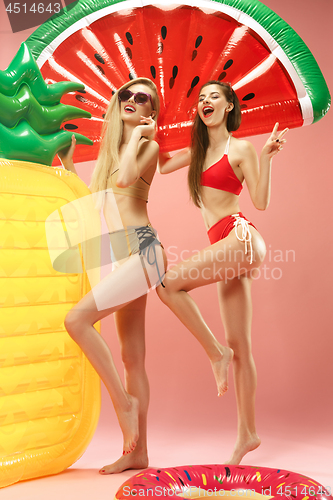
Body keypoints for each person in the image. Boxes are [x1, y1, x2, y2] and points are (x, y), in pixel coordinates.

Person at [157, 80, 288, 465]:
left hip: (240, 236)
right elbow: (163, 165)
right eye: (200, 99)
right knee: (242, 352)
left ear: (229, 106)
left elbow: (260, 202)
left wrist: (266, 156)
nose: (205, 102)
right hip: (225, 250)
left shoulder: (240, 148)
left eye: (214, 96)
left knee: (168, 283)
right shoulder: (197, 151)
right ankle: (247, 433)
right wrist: (155, 126)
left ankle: (215, 352)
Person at [58, 78, 166, 474]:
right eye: (127, 95)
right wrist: (70, 165)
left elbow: (124, 181)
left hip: (144, 251)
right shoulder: (110, 153)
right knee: (131, 356)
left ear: (151, 112)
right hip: (119, 255)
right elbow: (93, 208)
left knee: (77, 319)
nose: (132, 101)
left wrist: (138, 135)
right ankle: (138, 452)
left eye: (143, 99)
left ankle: (123, 404)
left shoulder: (148, 146)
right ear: (116, 101)